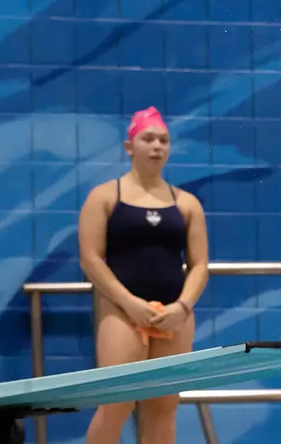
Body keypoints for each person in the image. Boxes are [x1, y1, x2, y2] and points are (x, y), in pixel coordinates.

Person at [77, 108, 209, 444]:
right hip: (121, 310)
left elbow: (199, 265)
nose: (157, 146)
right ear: (129, 146)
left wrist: (182, 307)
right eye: (147, 138)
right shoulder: (105, 196)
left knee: (164, 405)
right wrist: (129, 303)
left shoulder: (187, 203)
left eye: (163, 140)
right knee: (116, 404)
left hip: (173, 312)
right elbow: (91, 259)